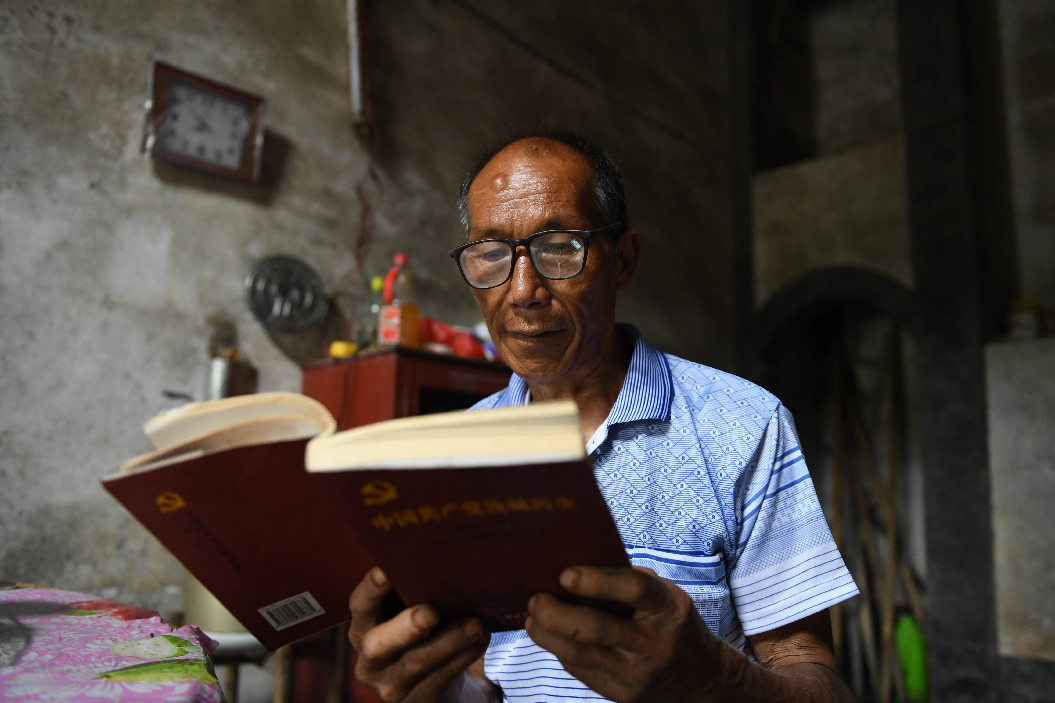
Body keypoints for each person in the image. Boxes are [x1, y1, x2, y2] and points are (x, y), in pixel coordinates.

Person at [347, 131, 859, 702]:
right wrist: (429, 688)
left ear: (623, 260)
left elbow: (824, 688)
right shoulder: (458, 451)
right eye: (491, 254)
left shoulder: (743, 425)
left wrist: (714, 680)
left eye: (559, 247)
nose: (522, 291)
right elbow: (486, 686)